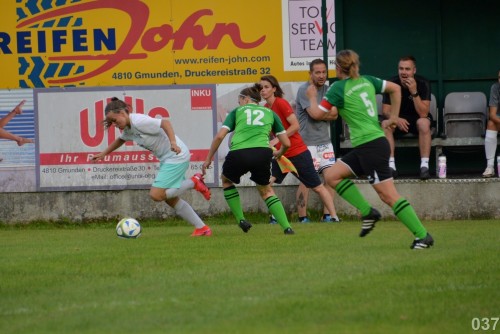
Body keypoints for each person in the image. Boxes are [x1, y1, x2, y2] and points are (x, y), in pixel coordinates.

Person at [305, 49, 434, 249]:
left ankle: (422, 236)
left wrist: (312, 96)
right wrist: (393, 118)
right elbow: (396, 89)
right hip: (370, 145)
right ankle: (367, 212)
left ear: (339, 68)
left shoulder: (338, 88)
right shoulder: (368, 80)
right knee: (332, 176)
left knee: (389, 196)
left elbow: (315, 114)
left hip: (370, 147)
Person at [91, 97, 212, 237]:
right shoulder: (129, 128)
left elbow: (165, 123)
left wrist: (173, 142)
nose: (115, 125)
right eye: (112, 123)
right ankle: (202, 228)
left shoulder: (138, 121)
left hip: (176, 156)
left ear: (122, 113)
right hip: (168, 158)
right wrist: (103, 154)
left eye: (115, 120)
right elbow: (120, 140)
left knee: (156, 194)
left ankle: (194, 181)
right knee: (170, 198)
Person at [201, 84, 295, 235]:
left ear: (245, 99)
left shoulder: (237, 112)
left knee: (226, 180)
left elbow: (220, 136)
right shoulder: (270, 113)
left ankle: (241, 219)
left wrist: (208, 158)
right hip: (263, 152)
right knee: (266, 190)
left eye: (239, 100)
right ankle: (287, 227)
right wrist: (279, 152)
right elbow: (286, 143)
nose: (239, 103)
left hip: (239, 152)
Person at [259, 75, 340, 224]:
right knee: (266, 185)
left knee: (317, 187)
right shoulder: (265, 109)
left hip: (297, 153)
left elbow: (295, 126)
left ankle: (333, 217)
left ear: (274, 89)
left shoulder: (282, 103)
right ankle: (276, 217)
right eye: (261, 88)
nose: (263, 90)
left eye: (266, 87)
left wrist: (277, 139)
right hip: (281, 155)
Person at [295, 58, 340, 222]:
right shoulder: (304, 90)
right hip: (306, 144)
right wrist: (323, 113)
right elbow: (314, 114)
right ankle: (302, 218)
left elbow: (335, 114)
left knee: (331, 179)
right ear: (310, 73)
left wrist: (321, 113)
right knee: (306, 182)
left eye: (324, 72)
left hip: (325, 143)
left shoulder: (329, 90)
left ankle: (327, 215)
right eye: (318, 72)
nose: (321, 76)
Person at [380, 56, 433, 180]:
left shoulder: (423, 83)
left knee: (424, 123)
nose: (403, 72)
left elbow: (424, 113)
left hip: (417, 119)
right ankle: (391, 166)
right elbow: (386, 111)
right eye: (401, 69)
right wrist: (396, 118)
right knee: (385, 124)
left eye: (407, 69)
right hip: (398, 119)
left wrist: (414, 91)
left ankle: (424, 166)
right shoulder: (391, 83)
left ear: (414, 70)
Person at [482, 70, 500, 177]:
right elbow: (492, 115)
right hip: (499, 120)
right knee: (491, 124)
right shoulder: (495, 88)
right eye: (499, 77)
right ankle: (490, 166)